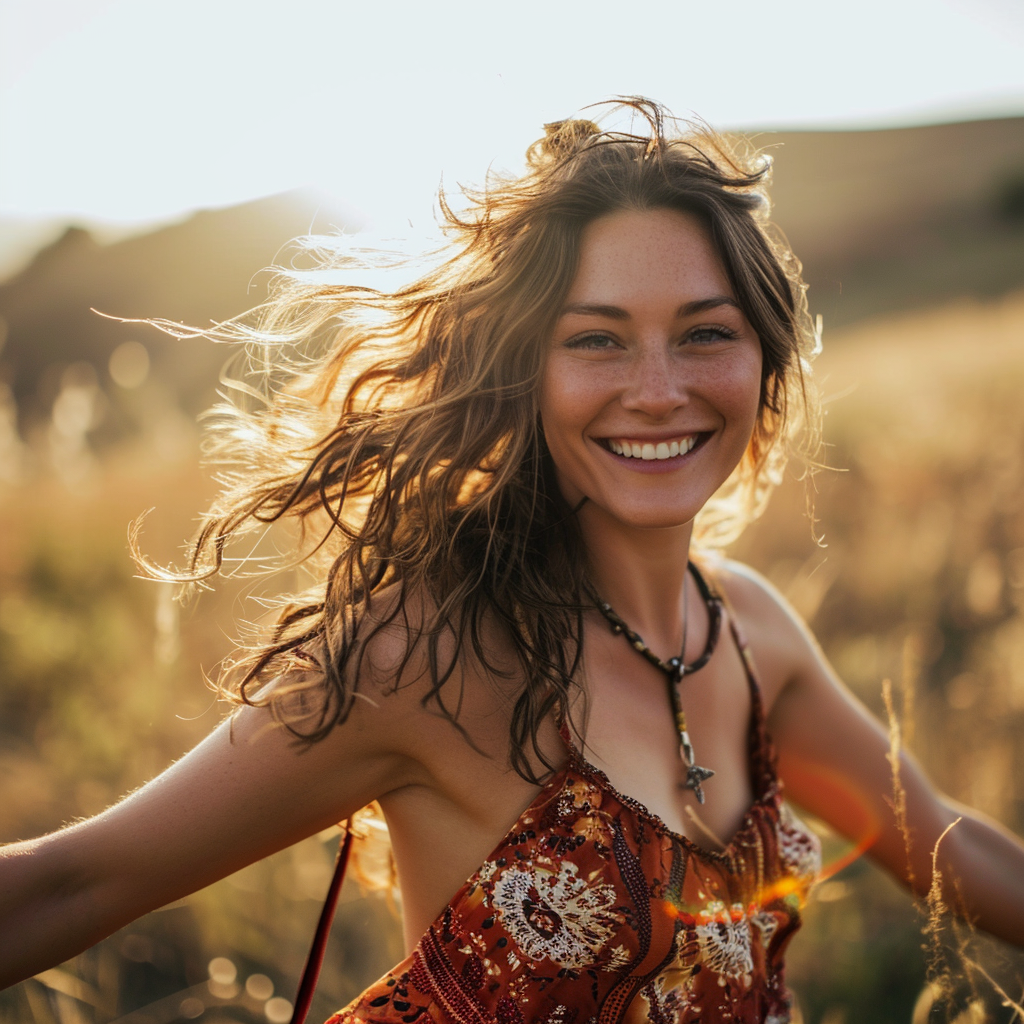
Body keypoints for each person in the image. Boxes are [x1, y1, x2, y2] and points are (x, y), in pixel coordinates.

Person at [2, 99, 1023, 1023]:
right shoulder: (424, 657)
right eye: (597, 340)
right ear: (521, 373)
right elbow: (73, 883)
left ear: (764, 361)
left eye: (706, 332)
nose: (658, 389)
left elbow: (940, 839)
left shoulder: (751, 631)